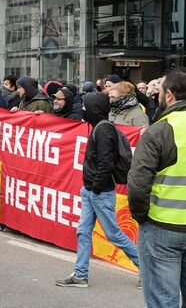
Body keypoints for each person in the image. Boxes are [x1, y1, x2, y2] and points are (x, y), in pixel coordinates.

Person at [56, 92, 139, 288]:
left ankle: (147, 269)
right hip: (91, 190)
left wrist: (95, 188)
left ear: (93, 109)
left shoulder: (103, 130)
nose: (82, 110)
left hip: (99, 192)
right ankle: (80, 275)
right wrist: (90, 188)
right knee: (83, 232)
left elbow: (106, 163)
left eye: (85, 106)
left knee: (113, 234)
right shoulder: (99, 128)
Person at [128, 69, 186, 307]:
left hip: (162, 227)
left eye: (160, 91)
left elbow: (138, 183)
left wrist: (143, 218)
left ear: (169, 95)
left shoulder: (159, 130)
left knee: (164, 301)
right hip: (166, 227)